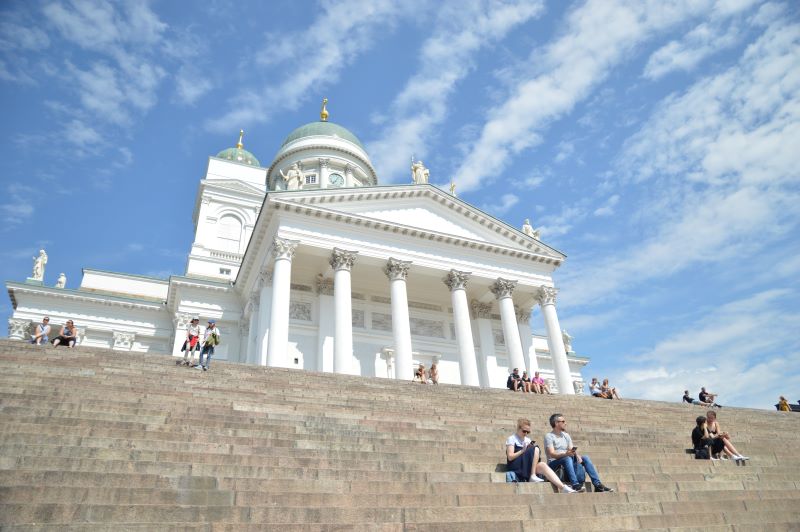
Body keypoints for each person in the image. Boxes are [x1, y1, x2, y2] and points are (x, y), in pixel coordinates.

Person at [545, 413, 614, 492]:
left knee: (585, 457)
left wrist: (577, 456)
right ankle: (575, 485)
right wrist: (565, 454)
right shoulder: (549, 436)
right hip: (554, 465)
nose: (565, 423)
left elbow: (571, 449)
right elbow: (552, 454)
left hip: (567, 461)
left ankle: (597, 484)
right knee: (567, 458)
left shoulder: (566, 435)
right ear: (556, 423)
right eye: (563, 421)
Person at [506, 418, 577, 493]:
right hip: (516, 465)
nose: (526, 433)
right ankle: (532, 475)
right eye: (524, 431)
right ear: (518, 428)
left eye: (528, 432)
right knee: (535, 449)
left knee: (542, 464)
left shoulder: (527, 440)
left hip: (526, 465)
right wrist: (522, 451)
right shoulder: (512, 439)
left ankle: (562, 487)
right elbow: (510, 457)